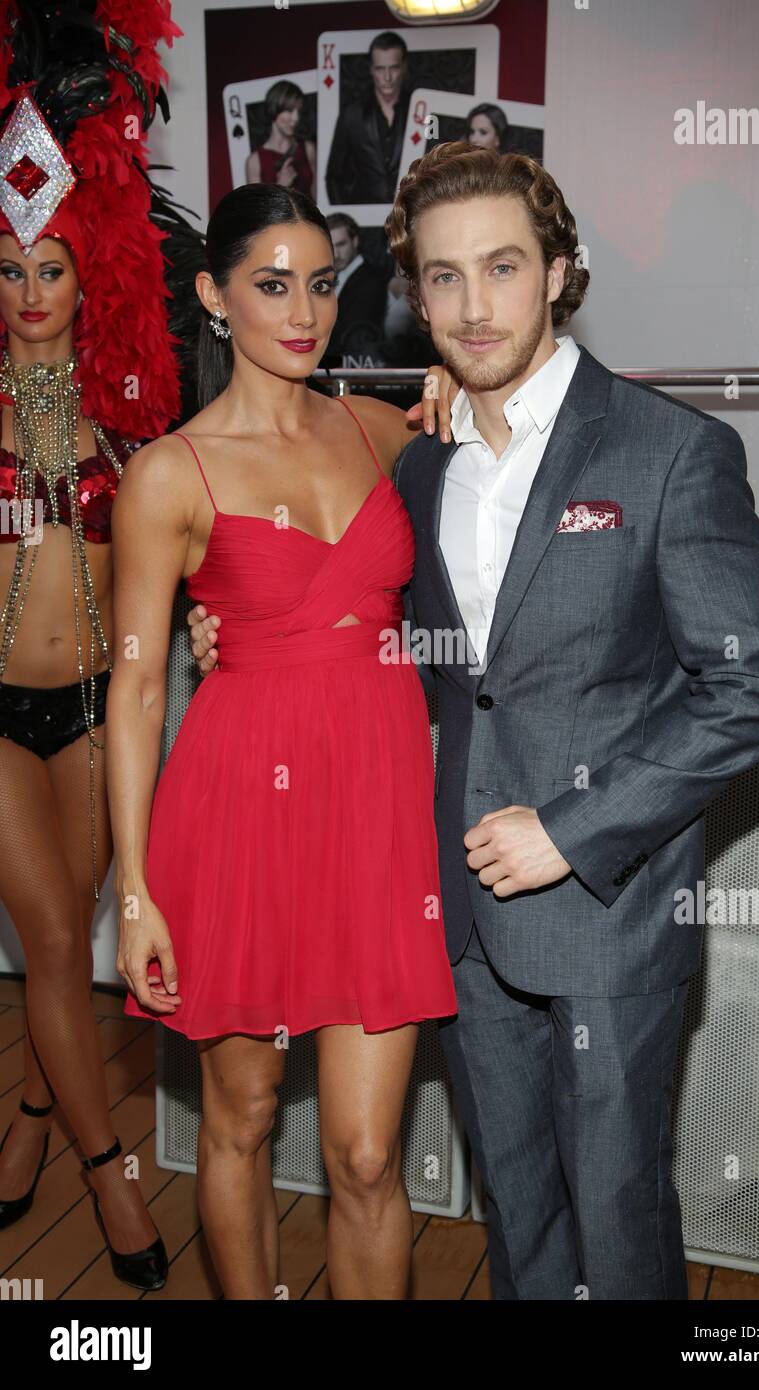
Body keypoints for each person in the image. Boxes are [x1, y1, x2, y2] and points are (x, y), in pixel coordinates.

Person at [189, 142, 759, 1300]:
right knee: (517, 1218)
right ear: (415, 296)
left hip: (607, 916)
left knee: (616, 1224)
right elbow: (402, 657)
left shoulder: (669, 451)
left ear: (559, 272)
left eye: (503, 268)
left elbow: (751, 685)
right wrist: (238, 642)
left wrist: (569, 828)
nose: (474, 308)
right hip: (458, 918)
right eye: (444, 277)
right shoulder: (415, 472)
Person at [108, 182, 458, 1301]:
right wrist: (136, 891)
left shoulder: (380, 426)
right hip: (235, 812)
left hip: (376, 813)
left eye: (320, 283)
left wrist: (462, 379)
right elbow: (137, 689)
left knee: (364, 1152)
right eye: (270, 285)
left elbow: (506, 453)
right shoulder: (170, 472)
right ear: (215, 297)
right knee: (243, 1116)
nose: (301, 310)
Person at [0, 0, 187, 1291]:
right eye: (6, 272)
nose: (27, 295)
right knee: (56, 948)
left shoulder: (135, 411)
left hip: (100, 704)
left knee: (75, 936)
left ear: (89, 271)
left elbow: (176, 552)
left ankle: (24, 1122)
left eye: (48, 269)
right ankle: (108, 1171)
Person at [325, 32, 410, 205]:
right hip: (363, 224)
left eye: (393, 68)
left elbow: (435, 165)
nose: (387, 77)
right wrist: (347, 221)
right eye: (380, 69)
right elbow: (334, 177)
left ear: (404, 68)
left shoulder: (422, 112)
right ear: (372, 70)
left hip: (411, 218)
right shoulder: (351, 115)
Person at [320, 213, 389, 365]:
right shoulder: (329, 277)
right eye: (331, 246)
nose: (336, 254)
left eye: (341, 244)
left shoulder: (372, 279)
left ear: (355, 241)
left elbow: (352, 331)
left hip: (355, 366)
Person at [245, 79, 315, 195]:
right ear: (274, 108)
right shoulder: (254, 161)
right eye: (289, 110)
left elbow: (318, 202)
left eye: (299, 111)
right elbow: (255, 212)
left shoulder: (309, 149)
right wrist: (280, 186)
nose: (296, 118)